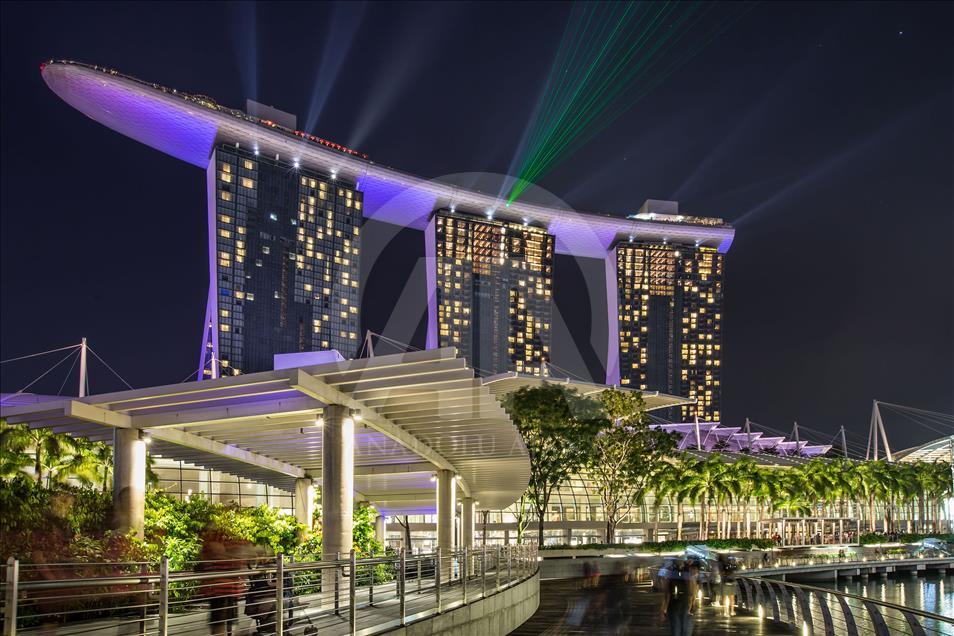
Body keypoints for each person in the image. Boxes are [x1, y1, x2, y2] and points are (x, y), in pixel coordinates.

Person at [660, 560, 698, 636]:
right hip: (684, 604)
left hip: (675, 604)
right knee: (685, 630)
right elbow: (692, 593)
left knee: (676, 629)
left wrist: (663, 609)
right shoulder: (688, 575)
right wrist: (692, 605)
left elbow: (667, 594)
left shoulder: (671, 575)